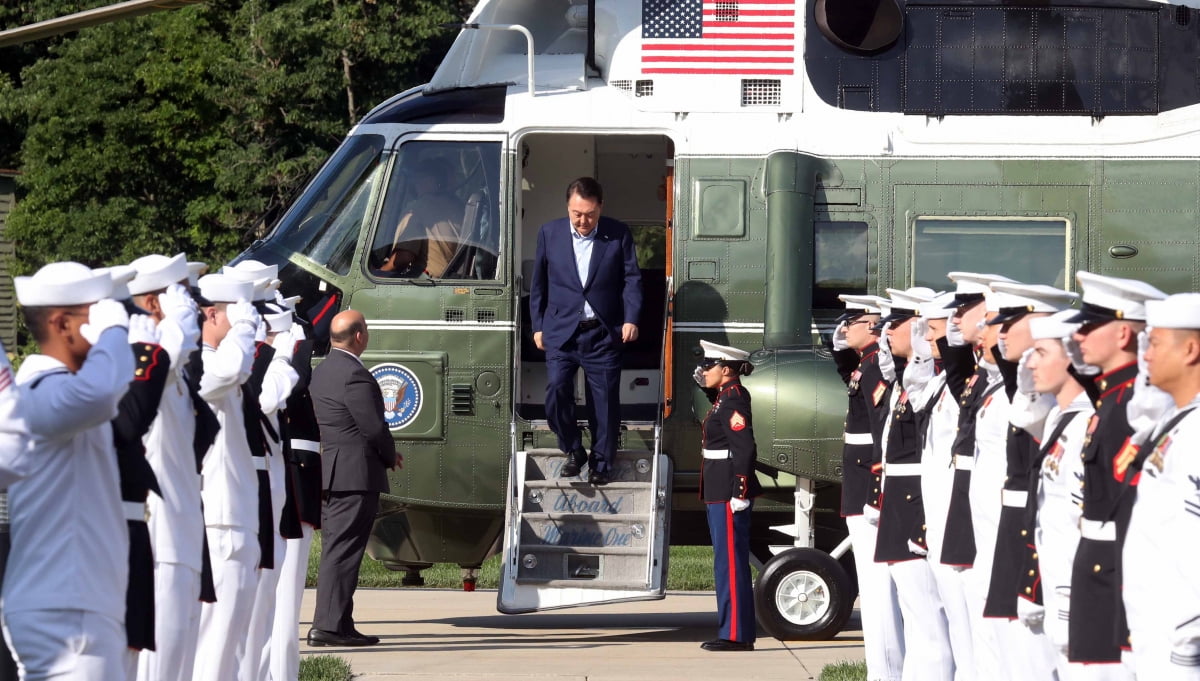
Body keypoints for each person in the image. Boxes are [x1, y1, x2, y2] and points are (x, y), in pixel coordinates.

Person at [6, 263, 134, 680]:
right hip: (64, 609)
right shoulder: (44, 391)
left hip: (75, 603)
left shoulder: (59, 390)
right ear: (61, 323)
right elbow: (100, 393)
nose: (108, 324)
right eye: (94, 315)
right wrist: (114, 333)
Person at [1064, 271, 1165, 670]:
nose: (1079, 336)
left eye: (1089, 326)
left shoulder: (1133, 405)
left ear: (1123, 334)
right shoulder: (1112, 397)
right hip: (1099, 572)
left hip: (1117, 580)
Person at [983, 282, 1079, 679]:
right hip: (1032, 554)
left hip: (1071, 581)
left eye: (1009, 323)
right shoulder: (1053, 410)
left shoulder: (1076, 416)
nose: (1000, 332)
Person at [529, 177, 643, 486]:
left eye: (590, 214)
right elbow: (538, 283)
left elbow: (632, 278)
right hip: (561, 332)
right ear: (568, 207)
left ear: (600, 208)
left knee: (604, 402)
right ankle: (573, 448)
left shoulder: (617, 234)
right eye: (577, 213)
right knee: (556, 391)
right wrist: (537, 326)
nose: (583, 221)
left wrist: (631, 318)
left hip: (603, 333)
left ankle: (601, 463)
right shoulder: (548, 233)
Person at [128, 254, 208, 681]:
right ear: (157, 305)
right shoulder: (145, 364)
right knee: (158, 663)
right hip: (162, 538)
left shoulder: (171, 370)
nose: (194, 309)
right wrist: (176, 319)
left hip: (181, 533)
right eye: (183, 297)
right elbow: (172, 349)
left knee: (179, 659)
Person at [874, 287, 955, 681]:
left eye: (898, 323)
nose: (886, 332)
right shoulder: (914, 383)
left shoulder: (942, 385)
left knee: (931, 627)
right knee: (916, 617)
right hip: (901, 502)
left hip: (916, 506)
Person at [308, 310, 401, 647]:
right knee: (344, 552)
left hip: (333, 471)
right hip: (355, 474)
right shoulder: (354, 375)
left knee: (339, 549)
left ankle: (340, 622)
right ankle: (329, 626)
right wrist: (391, 456)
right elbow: (373, 427)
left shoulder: (322, 371)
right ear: (359, 336)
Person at [1124, 293, 1200, 679]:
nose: (1145, 356)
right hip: (1154, 630)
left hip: (1181, 644)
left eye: (1152, 343)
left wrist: (1189, 640)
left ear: (1190, 349)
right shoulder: (1178, 421)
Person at [831, 293, 905, 681]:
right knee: (875, 590)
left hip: (867, 485)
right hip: (860, 483)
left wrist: (877, 488)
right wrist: (838, 339)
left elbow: (882, 433)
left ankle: (888, 673)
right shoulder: (866, 363)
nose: (843, 330)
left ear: (873, 326)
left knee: (879, 595)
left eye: (851, 323)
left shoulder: (877, 365)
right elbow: (843, 365)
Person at [192, 274, 263, 681]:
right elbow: (234, 365)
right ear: (214, 313)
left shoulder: (218, 365)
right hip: (220, 518)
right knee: (215, 642)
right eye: (235, 317)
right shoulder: (204, 364)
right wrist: (245, 324)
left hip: (233, 515)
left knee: (229, 640)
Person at [694, 339, 760, 652]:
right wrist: (706, 386)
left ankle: (736, 634)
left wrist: (741, 489)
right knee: (725, 561)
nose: (704, 370)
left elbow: (744, 447)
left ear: (726, 368)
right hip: (718, 486)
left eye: (709, 365)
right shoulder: (724, 397)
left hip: (728, 488)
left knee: (731, 564)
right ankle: (734, 630)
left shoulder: (733, 399)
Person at [377, 159, 464, 279]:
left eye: (420, 178)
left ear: (434, 180)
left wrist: (381, 272)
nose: (416, 184)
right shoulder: (459, 205)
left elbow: (403, 257)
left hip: (431, 283)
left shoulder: (418, 207)